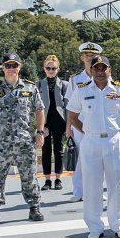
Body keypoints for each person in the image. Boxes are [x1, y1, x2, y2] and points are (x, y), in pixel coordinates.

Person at [65, 55, 120, 238]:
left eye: (103, 68)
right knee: (91, 186)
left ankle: (119, 224)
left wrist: (118, 129)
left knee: (117, 185)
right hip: (91, 141)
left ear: (109, 70)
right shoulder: (82, 89)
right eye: (96, 68)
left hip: (113, 141)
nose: (100, 72)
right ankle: (94, 226)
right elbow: (72, 116)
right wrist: (86, 130)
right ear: (91, 70)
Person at [0, 52, 46, 225]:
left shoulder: (30, 87)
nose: (11, 68)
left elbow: (39, 109)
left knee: (29, 176)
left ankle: (34, 207)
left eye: (14, 65)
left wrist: (39, 132)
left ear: (19, 67)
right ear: (2, 68)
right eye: (8, 65)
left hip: (24, 141)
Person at [67, 41, 102, 201]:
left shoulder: (104, 77)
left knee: (99, 159)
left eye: (93, 55)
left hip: (98, 124)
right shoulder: (75, 80)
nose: (90, 58)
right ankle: (78, 191)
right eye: (87, 55)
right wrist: (68, 127)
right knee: (79, 159)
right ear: (82, 57)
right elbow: (70, 107)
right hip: (79, 124)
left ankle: (97, 191)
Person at [37, 54, 70, 190]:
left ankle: (58, 179)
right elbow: (35, 108)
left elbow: (68, 107)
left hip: (59, 121)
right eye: (48, 68)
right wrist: (39, 126)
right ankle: (47, 180)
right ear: (44, 69)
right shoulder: (38, 84)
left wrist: (68, 126)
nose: (51, 70)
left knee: (58, 150)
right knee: (45, 150)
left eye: (53, 68)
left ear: (58, 69)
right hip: (44, 121)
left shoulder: (64, 85)